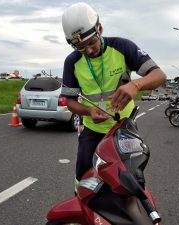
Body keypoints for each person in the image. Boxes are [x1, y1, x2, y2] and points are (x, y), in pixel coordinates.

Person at [61, 2, 167, 191]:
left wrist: (136, 85)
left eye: (91, 42)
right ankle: (82, 210)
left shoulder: (122, 47)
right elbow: (69, 102)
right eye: (81, 48)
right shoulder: (72, 62)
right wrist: (88, 111)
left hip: (124, 128)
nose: (89, 51)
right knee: (83, 177)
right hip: (92, 129)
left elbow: (159, 76)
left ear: (99, 28)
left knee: (130, 180)